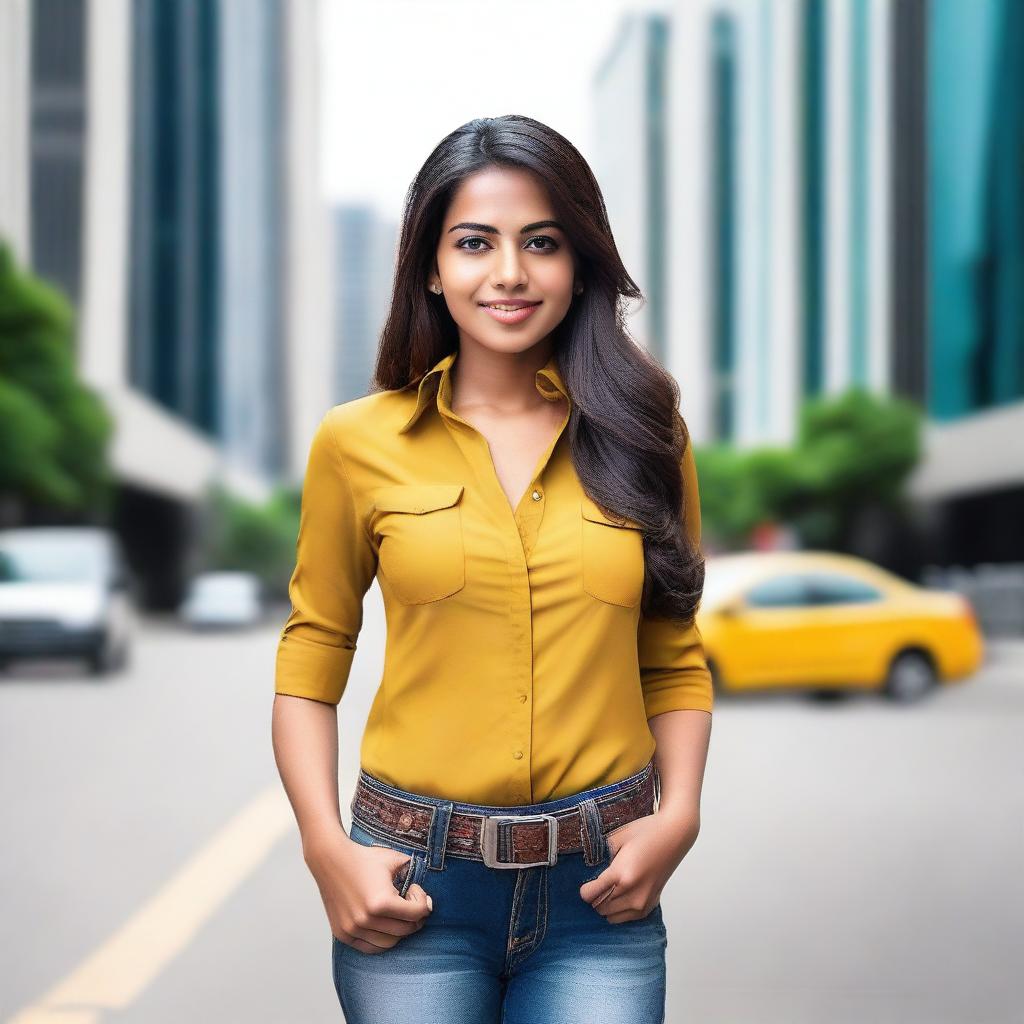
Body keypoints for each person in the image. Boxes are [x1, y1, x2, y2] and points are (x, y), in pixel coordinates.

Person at [271, 114, 713, 1023]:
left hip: (602, 894)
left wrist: (681, 816)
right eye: (475, 243)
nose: (509, 273)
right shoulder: (357, 444)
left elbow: (671, 650)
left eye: (541, 243)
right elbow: (312, 656)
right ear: (432, 267)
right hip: (412, 886)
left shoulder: (647, 433)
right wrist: (326, 849)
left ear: (580, 263)